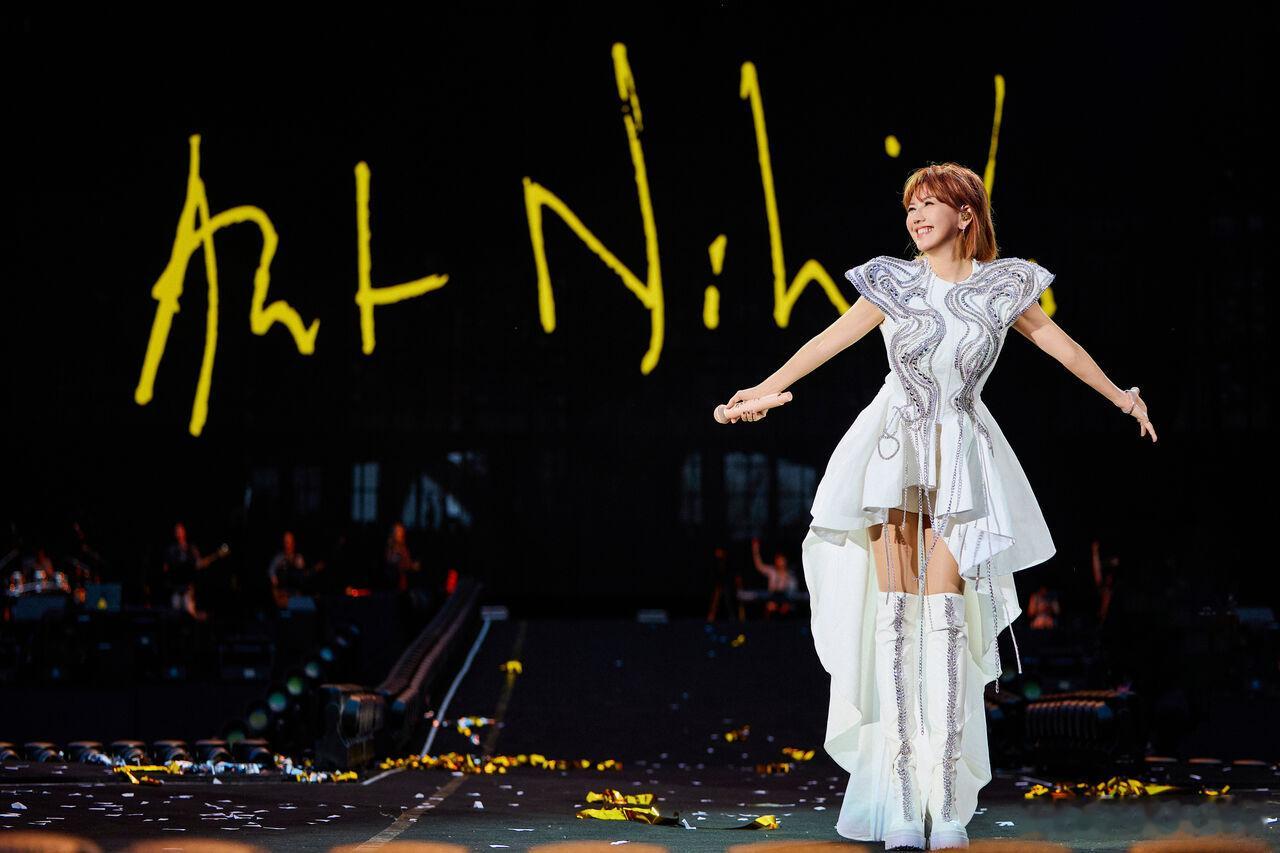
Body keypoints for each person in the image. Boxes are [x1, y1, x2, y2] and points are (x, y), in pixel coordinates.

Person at [723, 162, 1156, 850]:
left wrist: (1122, 396)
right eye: (910, 207)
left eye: (930, 204)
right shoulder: (893, 283)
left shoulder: (1003, 286)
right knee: (897, 617)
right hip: (894, 449)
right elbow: (829, 340)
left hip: (963, 453)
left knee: (946, 615)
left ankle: (945, 801)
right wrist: (762, 389)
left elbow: (1063, 348)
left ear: (966, 214)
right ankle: (902, 801)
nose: (917, 216)